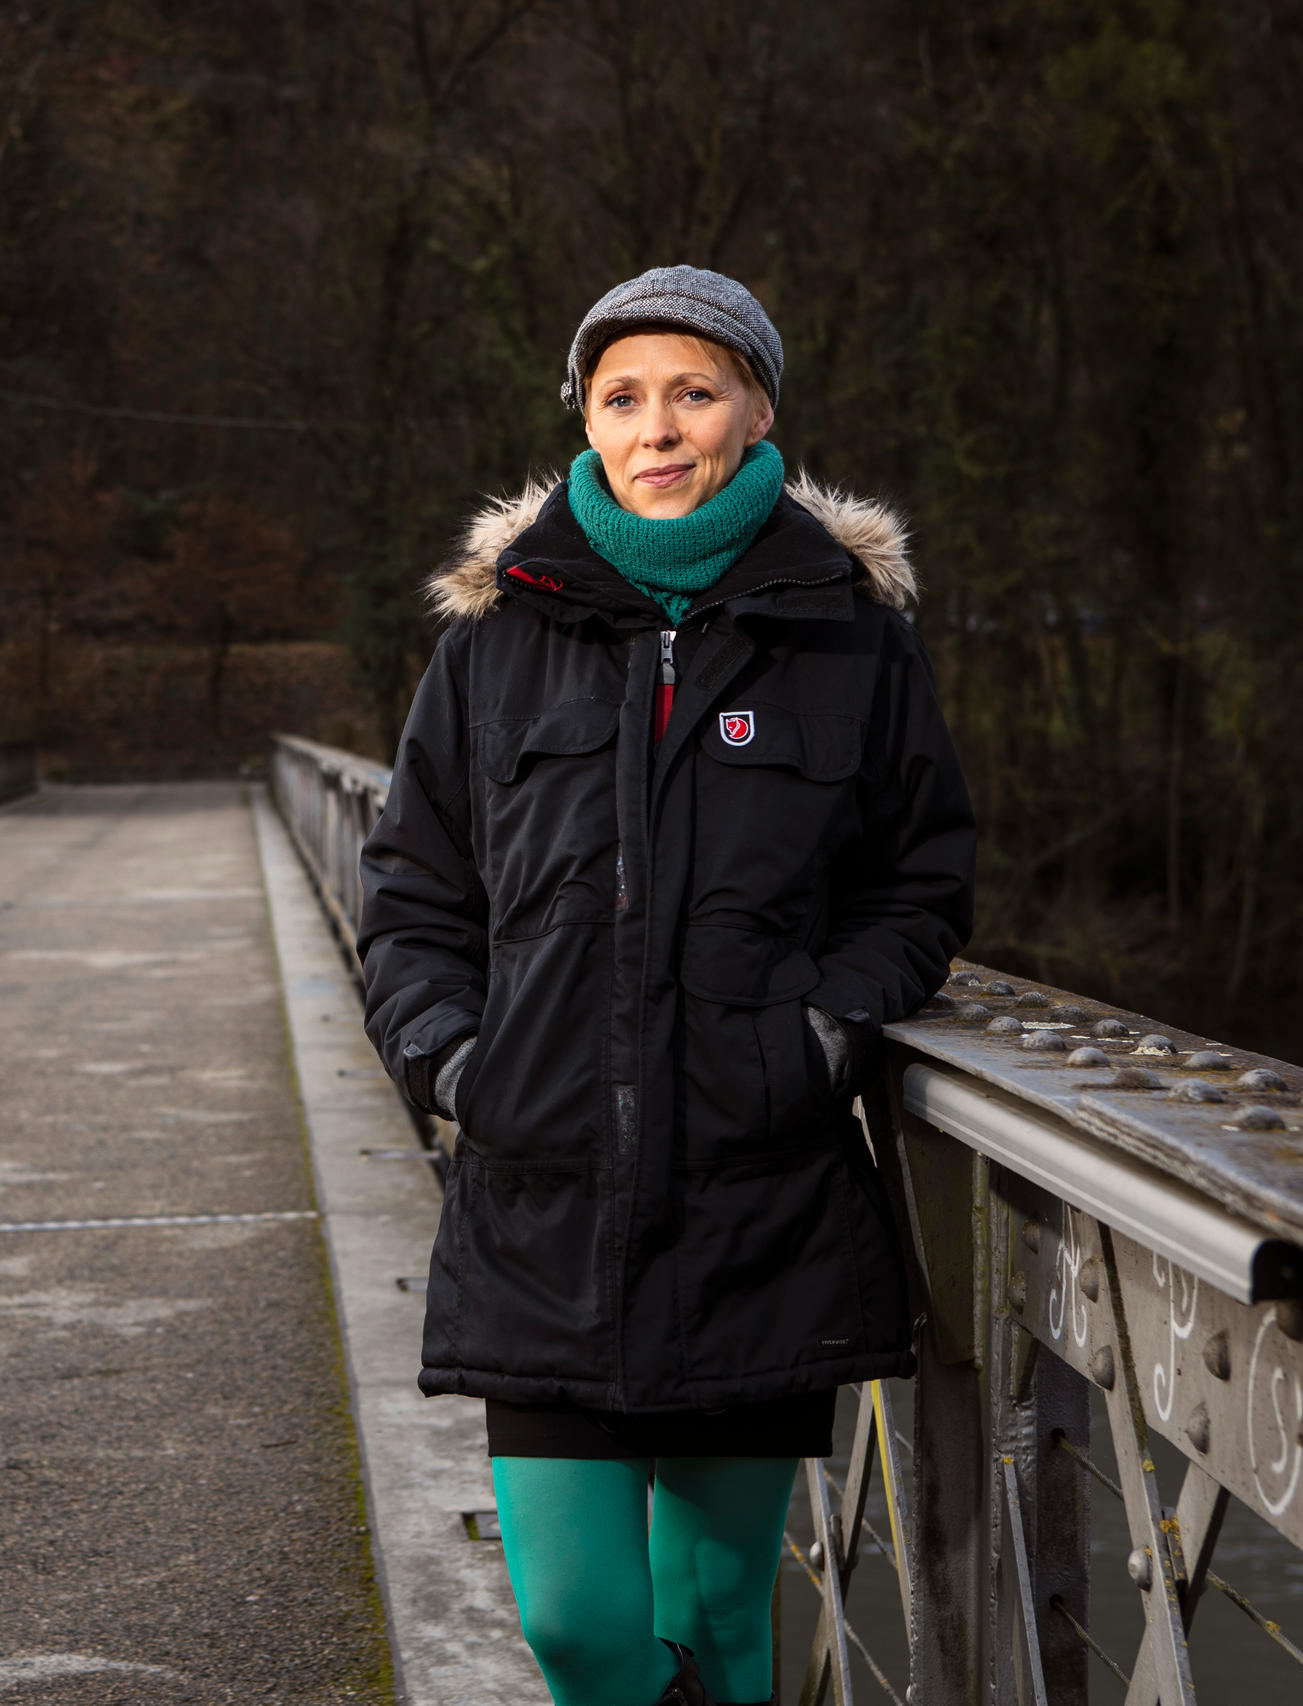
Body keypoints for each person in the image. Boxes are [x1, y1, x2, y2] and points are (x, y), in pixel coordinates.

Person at [356, 266, 975, 1706]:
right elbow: (413, 897)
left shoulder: (848, 635)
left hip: (758, 1198)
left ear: (756, 408)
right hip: (544, 1203)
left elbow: (922, 879)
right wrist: (457, 1065)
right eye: (624, 395)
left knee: (722, 1612)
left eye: (694, 391)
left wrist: (823, 1028)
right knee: (575, 1618)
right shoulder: (496, 638)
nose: (660, 426)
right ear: (587, 419)